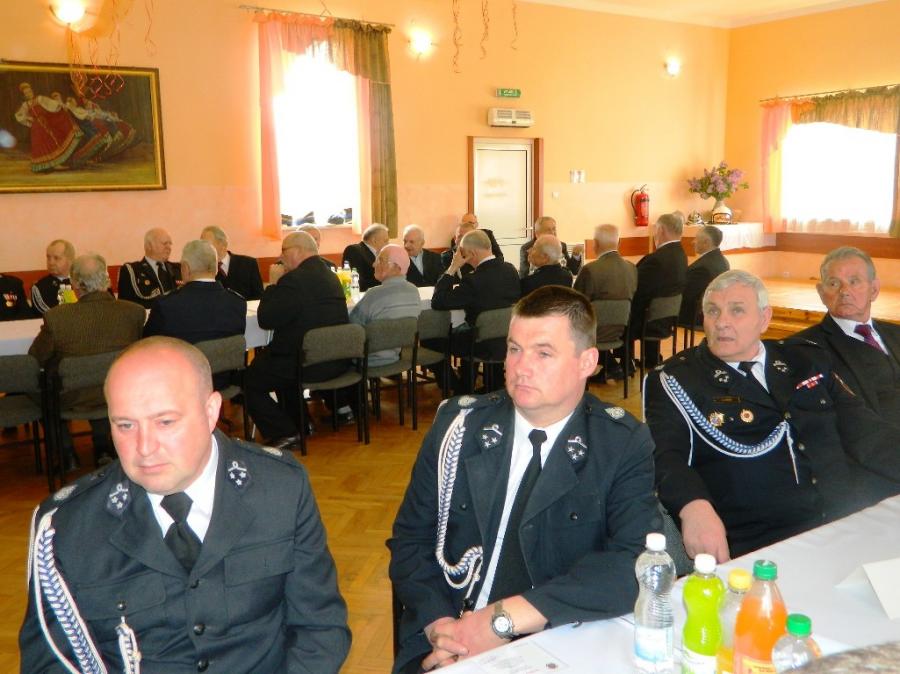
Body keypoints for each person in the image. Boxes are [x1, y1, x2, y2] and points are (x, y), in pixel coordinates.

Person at [19, 337, 351, 673]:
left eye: (165, 422)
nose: (144, 447)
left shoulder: (279, 488)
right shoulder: (67, 526)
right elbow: (51, 662)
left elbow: (320, 626)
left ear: (211, 412)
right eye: (125, 425)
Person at [389, 285, 660, 673]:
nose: (521, 367)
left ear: (587, 361)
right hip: (445, 635)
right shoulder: (459, 427)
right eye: (514, 349)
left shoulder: (619, 444)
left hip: (551, 636)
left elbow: (635, 563)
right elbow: (410, 540)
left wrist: (501, 621)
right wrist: (441, 627)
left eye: (543, 353)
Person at [644, 270, 900, 562]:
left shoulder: (805, 359)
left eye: (736, 310)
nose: (721, 322)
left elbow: (865, 430)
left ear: (764, 318)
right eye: (712, 311)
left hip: (844, 523)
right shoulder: (677, 379)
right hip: (762, 544)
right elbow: (666, 456)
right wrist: (693, 506)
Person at [29, 253, 145, 469]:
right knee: (102, 382)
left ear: (74, 283)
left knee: (41, 390)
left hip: (72, 397)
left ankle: (66, 452)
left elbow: (35, 359)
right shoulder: (134, 313)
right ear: (107, 280)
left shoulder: (57, 317)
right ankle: (102, 446)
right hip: (119, 392)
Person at [245, 232, 351, 450]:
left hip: (305, 364)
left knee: (249, 379)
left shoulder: (293, 281)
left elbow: (266, 319)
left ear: (298, 251)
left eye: (283, 251)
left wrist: (273, 284)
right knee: (279, 363)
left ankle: (284, 432)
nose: (280, 258)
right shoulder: (330, 275)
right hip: (335, 360)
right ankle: (303, 424)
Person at [796, 246, 900, 427]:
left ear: (874, 289)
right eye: (834, 283)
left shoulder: (895, 333)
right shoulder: (806, 348)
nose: (844, 291)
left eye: (854, 281)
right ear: (821, 293)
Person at [143, 240, 247, 389]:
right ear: (216, 268)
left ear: (185, 268)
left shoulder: (166, 305)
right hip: (222, 382)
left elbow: (147, 344)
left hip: (179, 385)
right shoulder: (237, 302)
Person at [433, 230, 520, 392]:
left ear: (471, 253)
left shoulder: (473, 280)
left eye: (463, 253)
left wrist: (452, 268)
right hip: (507, 340)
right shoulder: (511, 270)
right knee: (474, 331)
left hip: (479, 344)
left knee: (433, 341)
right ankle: (488, 385)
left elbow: (438, 301)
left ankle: (459, 388)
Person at [619, 211, 688, 371]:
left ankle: (625, 365)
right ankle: (651, 358)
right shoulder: (681, 254)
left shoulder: (657, 259)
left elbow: (637, 289)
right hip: (667, 317)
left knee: (619, 315)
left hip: (648, 320)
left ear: (661, 230)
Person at [349, 244, 423, 366]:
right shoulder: (413, 291)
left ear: (396, 267)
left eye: (380, 260)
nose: (374, 264)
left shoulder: (374, 294)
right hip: (395, 357)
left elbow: (353, 325)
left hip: (366, 360)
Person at [14, 81, 83, 172]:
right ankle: (44, 166)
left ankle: (56, 164)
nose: (29, 94)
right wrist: (29, 119)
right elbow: (19, 116)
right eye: (26, 93)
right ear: (24, 95)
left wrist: (61, 104)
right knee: (40, 146)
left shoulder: (39, 99)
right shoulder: (25, 105)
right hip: (36, 129)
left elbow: (52, 105)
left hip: (46, 125)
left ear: (32, 91)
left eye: (29, 91)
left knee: (52, 143)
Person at [678, 225, 729, 326]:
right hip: (715, 311)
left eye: (696, 238)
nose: (693, 242)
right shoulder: (723, 261)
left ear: (706, 242)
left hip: (694, 316)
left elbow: (686, 296)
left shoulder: (702, 268)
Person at [117, 227, 181, 308]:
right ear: (149, 246)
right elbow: (125, 306)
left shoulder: (178, 269)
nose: (169, 247)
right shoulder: (132, 271)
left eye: (170, 243)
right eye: (165, 243)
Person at [573, 223, 637, 302]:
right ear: (619, 242)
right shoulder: (632, 269)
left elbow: (575, 303)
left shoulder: (589, 270)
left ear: (596, 243)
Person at [200, 225, 264, 300]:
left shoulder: (248, 264)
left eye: (206, 245)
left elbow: (259, 296)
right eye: (201, 246)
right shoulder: (202, 270)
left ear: (223, 245)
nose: (202, 249)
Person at [518, 216, 582, 278]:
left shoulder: (561, 245)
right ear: (537, 234)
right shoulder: (527, 248)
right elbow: (524, 276)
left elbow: (574, 271)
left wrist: (576, 255)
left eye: (554, 229)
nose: (553, 233)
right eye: (548, 230)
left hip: (560, 281)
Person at [31, 239, 76, 314]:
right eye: (48, 258)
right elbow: (50, 313)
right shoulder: (40, 287)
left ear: (70, 260)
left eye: (56, 258)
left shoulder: (82, 283)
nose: (51, 262)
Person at [342, 223, 390, 291]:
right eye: (386, 241)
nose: (388, 244)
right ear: (374, 240)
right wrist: (386, 283)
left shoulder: (382, 254)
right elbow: (357, 281)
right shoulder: (354, 250)